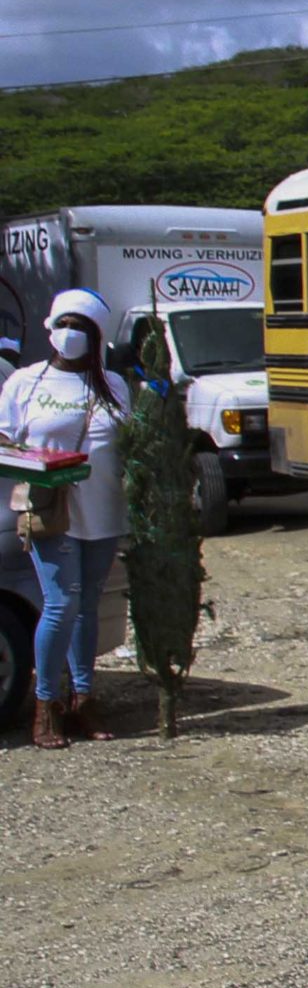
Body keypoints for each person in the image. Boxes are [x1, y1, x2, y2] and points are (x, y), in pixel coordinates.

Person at [1, 290, 131, 749]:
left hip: (104, 511)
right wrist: (34, 462)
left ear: (96, 336)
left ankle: (82, 698)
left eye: (82, 326)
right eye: (65, 324)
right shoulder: (25, 382)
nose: (71, 334)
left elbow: (128, 443)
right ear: (51, 328)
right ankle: (45, 706)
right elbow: (4, 439)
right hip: (49, 509)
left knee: (88, 604)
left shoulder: (113, 384)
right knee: (61, 604)